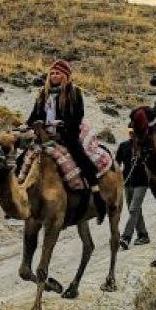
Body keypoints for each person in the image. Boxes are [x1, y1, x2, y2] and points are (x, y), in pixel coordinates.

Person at [26, 59, 107, 220]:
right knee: (24, 158)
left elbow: (77, 117)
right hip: (44, 135)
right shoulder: (43, 93)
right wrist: (25, 125)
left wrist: (62, 124)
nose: (55, 76)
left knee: (81, 158)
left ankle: (96, 193)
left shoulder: (74, 92)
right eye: (52, 73)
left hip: (67, 135)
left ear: (65, 76)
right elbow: (34, 117)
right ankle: (21, 192)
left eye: (58, 73)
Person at [115, 127, 151, 250]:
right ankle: (143, 234)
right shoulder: (123, 146)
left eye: (134, 132)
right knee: (135, 210)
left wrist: (142, 156)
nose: (132, 134)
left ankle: (126, 237)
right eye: (130, 132)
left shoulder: (146, 146)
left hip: (142, 182)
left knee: (133, 209)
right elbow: (117, 163)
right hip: (127, 182)